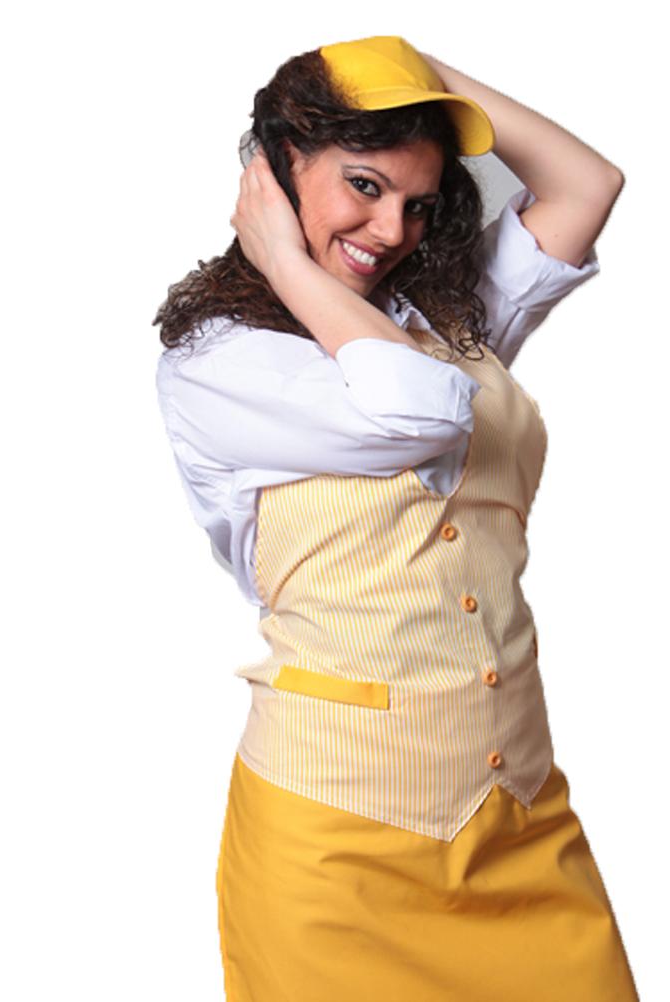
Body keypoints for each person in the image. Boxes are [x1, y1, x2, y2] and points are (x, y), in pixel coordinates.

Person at [153, 34, 636, 1002]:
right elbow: (419, 413)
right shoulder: (217, 362)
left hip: (518, 815)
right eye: (364, 185)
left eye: (418, 203)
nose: (391, 228)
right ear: (277, 167)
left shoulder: (435, 323)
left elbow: (587, 185)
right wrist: (282, 259)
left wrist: (420, 76)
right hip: (334, 841)